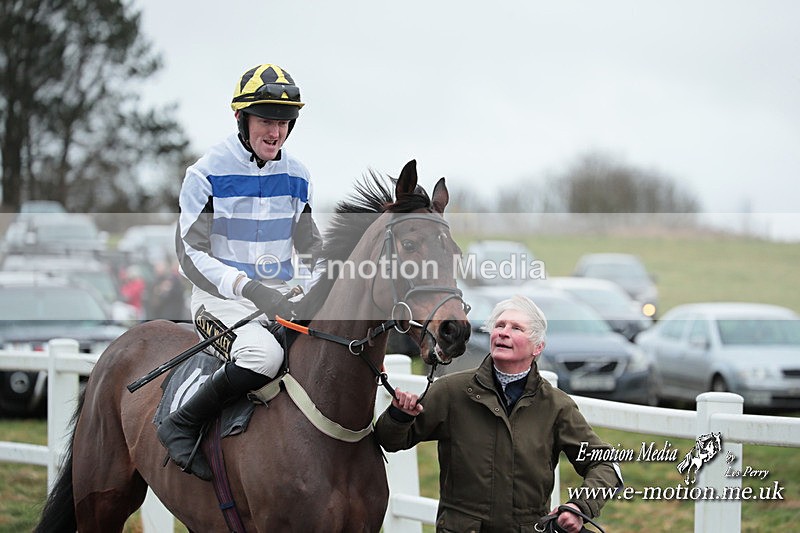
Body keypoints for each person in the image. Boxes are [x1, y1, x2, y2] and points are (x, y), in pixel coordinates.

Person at [158, 63, 323, 480]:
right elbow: (190, 255)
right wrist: (248, 288)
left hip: (280, 298)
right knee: (263, 357)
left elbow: (311, 249)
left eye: (284, 122)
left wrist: (320, 287)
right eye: (266, 120)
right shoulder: (205, 174)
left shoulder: (298, 176)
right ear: (241, 118)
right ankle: (181, 423)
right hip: (219, 302)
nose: (276, 132)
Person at [375, 295, 623, 532]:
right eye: (500, 325)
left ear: (538, 347)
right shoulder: (451, 392)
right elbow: (389, 440)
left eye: (517, 328)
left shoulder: (556, 406)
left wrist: (580, 507)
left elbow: (605, 464)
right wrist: (400, 416)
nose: (504, 332)